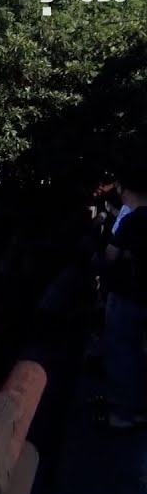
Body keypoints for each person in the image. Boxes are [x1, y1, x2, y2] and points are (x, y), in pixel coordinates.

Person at [103, 178, 147, 429]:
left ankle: (122, 412)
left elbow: (111, 256)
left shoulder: (132, 219)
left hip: (129, 295)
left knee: (122, 351)